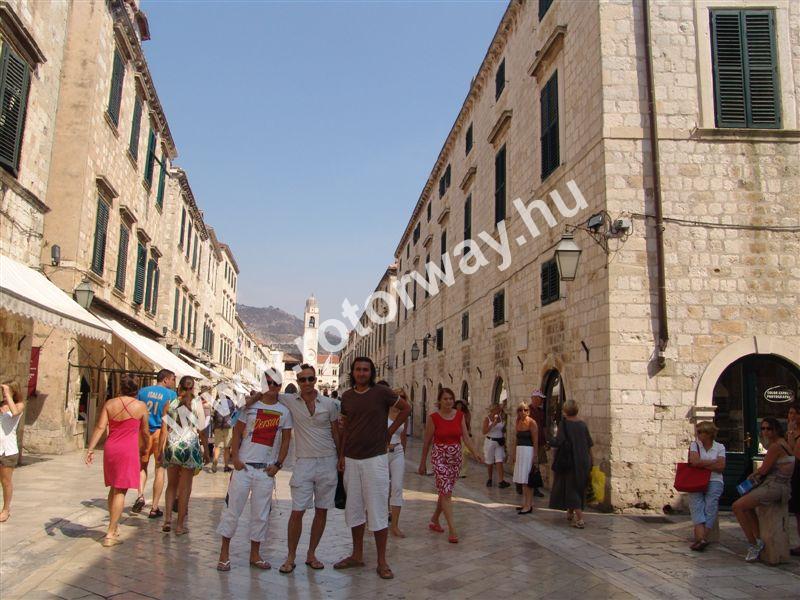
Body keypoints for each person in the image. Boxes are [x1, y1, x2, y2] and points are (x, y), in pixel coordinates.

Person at [248, 365, 339, 574]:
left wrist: (340, 458)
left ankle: (311, 554)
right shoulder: (289, 401)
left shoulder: (329, 404)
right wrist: (251, 399)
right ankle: (290, 557)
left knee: (322, 510)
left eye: (310, 379)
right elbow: (269, 393)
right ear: (297, 382)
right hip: (304, 462)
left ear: (315, 380)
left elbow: (336, 433)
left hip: (327, 460)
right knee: (296, 511)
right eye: (302, 380)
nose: (306, 383)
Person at [334, 357, 410, 580]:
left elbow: (406, 408)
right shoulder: (346, 397)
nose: (361, 373)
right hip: (351, 459)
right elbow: (345, 428)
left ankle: (382, 561)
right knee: (355, 509)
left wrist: (390, 431)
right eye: (358, 369)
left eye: (366, 370)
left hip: (375, 459)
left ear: (372, 372)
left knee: (377, 509)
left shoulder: (381, 393)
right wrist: (341, 455)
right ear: (353, 373)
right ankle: (356, 555)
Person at [216, 375, 292, 571]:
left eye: (276, 383)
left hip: (265, 470)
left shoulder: (284, 411)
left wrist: (278, 464)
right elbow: (236, 430)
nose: (272, 386)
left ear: (280, 386)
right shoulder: (249, 407)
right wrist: (235, 459)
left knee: (261, 514)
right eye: (269, 383)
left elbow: (286, 440)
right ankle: (224, 554)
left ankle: (255, 554)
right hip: (245, 468)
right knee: (233, 510)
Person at [84, 375, 149, 546]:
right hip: (129, 449)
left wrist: (90, 449)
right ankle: (111, 533)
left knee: (113, 487)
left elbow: (99, 427)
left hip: (111, 447)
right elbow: (145, 431)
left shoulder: (110, 404)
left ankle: (114, 525)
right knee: (121, 490)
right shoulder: (141, 406)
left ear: (121, 388)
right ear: (137, 389)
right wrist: (146, 448)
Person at [418, 387, 483, 544]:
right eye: (445, 399)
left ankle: (434, 519)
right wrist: (422, 464)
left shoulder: (459, 416)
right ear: (439, 401)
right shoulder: (433, 418)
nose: (448, 401)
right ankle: (453, 530)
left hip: (455, 458)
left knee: (445, 490)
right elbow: (427, 442)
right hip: (439, 457)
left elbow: (466, 438)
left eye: (450, 399)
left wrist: (475, 453)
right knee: (446, 493)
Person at [732, 417, 795, 562]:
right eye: (763, 428)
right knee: (746, 507)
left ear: (776, 430)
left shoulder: (775, 447)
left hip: (775, 487)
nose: (765, 432)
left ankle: (753, 544)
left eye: (769, 429)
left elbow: (763, 470)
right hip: (779, 486)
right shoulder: (784, 443)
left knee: (737, 506)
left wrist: (751, 476)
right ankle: (759, 538)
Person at [158, 375, 209, 535]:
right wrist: (206, 451)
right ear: (193, 389)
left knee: (171, 485)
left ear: (178, 388)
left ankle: (167, 520)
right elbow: (201, 429)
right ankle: (179, 526)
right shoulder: (196, 404)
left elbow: (164, 430)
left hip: (173, 446)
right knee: (184, 488)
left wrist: (161, 451)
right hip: (189, 446)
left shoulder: (170, 404)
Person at [135, 369, 177, 518]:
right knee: (159, 468)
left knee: (142, 466)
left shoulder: (142, 391)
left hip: (144, 432)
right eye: (172, 379)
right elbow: (172, 418)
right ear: (165, 379)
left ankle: (140, 495)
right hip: (160, 432)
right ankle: (154, 507)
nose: (173, 382)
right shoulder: (171, 395)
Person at [549, 399, 593, 529]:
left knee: (571, 488)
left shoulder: (564, 424)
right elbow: (589, 444)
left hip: (570, 460)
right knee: (578, 486)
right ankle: (570, 512)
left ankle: (580, 519)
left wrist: (550, 443)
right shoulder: (582, 425)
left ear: (565, 410)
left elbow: (559, 441)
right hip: (583, 460)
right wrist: (592, 459)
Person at [686, 421, 726, 551]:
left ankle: (701, 539)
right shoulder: (695, 445)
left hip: (715, 480)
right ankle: (702, 539)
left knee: (710, 507)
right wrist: (713, 462)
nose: (697, 435)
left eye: (700, 432)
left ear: (708, 434)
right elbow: (694, 461)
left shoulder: (720, 447)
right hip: (696, 480)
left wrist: (702, 464)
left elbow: (721, 467)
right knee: (696, 506)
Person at [0, 382, 25, 523]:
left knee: (5, 481)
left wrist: (8, 395)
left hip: (8, 450)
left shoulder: (19, 405)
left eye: (7, 391)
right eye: (3, 391)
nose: (4, 394)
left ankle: (6, 509)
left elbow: (15, 412)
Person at [512, 402, 539, 514]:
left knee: (528, 480)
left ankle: (529, 505)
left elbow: (535, 440)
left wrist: (535, 455)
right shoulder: (518, 422)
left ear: (528, 411)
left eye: (525, 410)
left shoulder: (532, 423)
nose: (523, 412)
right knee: (522, 479)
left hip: (528, 451)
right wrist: (513, 453)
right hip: (520, 452)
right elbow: (516, 439)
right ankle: (525, 503)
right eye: (520, 410)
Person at [388, 402, 407, 538]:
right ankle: (377, 519)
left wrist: (403, 452)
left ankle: (395, 525)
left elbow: (403, 435)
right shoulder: (382, 412)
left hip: (398, 451)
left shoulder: (403, 415)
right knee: (380, 487)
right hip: (382, 453)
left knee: (397, 487)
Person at [482, 403, 509, 488]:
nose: (499, 410)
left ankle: (501, 481)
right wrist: (493, 424)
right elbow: (484, 431)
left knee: (499, 460)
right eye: (497, 409)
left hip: (499, 442)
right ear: (493, 410)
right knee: (490, 461)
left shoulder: (501, 418)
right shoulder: (487, 419)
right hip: (490, 441)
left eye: (499, 409)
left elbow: (502, 429)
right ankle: (490, 479)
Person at [787, 404, 800, 556]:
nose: (792, 416)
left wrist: (791, 433)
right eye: (790, 412)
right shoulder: (792, 432)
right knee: (798, 512)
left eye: (795, 413)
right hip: (795, 472)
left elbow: (795, 453)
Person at [529, 390, 547, 497]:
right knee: (530, 464)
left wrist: (546, 439)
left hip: (539, 442)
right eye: (540, 399)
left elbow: (543, 426)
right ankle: (527, 486)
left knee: (536, 464)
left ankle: (534, 487)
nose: (541, 401)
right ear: (534, 398)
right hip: (530, 443)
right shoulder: (528, 411)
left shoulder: (541, 412)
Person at [212, 394, 236, 473]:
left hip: (218, 427)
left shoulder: (217, 403)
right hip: (228, 427)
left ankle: (215, 463)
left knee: (217, 446)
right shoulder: (231, 403)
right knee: (226, 447)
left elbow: (213, 415)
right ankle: (226, 466)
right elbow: (234, 415)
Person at [454, 399, 471, 478]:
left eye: (461, 405)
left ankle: (463, 472)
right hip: (455, 435)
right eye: (458, 405)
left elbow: (468, 424)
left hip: (464, 435)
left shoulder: (466, 414)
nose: (459, 406)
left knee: (464, 454)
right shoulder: (453, 413)